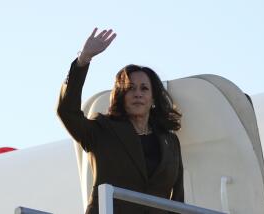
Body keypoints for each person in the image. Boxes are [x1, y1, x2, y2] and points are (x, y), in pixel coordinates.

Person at [57, 28, 184, 214]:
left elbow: (178, 201)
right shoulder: (101, 131)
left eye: (144, 89)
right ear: (121, 96)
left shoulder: (170, 141)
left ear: (153, 99)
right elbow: (66, 111)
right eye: (130, 88)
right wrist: (83, 60)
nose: (138, 94)